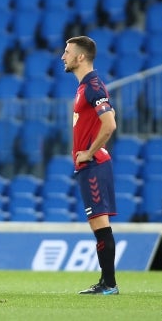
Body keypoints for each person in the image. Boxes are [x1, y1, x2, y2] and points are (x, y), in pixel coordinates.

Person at [61, 36, 120, 295]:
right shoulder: (86, 86)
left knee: (100, 224)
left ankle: (109, 284)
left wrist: (88, 153)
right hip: (91, 166)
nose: (63, 56)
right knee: (98, 224)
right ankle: (107, 282)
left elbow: (110, 124)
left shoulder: (93, 86)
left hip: (94, 165)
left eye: (67, 52)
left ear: (80, 57)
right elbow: (110, 115)